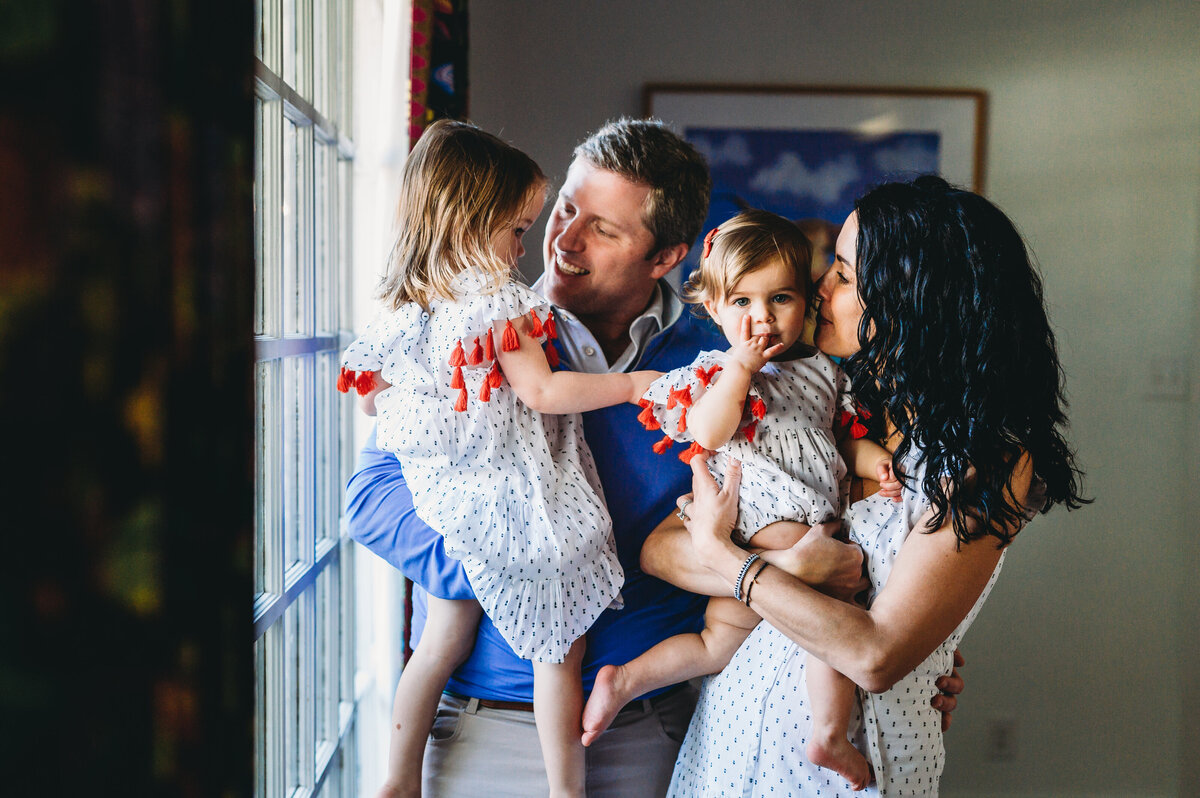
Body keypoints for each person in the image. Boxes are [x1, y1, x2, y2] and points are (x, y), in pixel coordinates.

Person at [343, 121, 960, 796]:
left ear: (666, 257)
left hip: (653, 727)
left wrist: (915, 653)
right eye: (566, 209)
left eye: (603, 228)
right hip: (488, 720)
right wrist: (517, 556)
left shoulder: (726, 364)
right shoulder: (481, 337)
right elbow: (371, 502)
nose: (565, 239)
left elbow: (825, 519)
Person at [645, 175, 1088, 797]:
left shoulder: (988, 460)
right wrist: (789, 563)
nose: (819, 289)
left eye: (845, 275)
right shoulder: (844, 411)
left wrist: (729, 558)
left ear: (911, 298)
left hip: (848, 768)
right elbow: (662, 546)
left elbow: (877, 657)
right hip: (733, 736)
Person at [338, 119, 661, 798]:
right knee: (559, 646)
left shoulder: (407, 311)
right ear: (471, 220)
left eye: (601, 227)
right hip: (510, 499)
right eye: (521, 227)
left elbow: (372, 405)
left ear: (666, 255)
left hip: (450, 497)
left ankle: (397, 781)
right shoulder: (498, 306)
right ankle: (566, 791)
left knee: (435, 644)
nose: (533, 245)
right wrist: (632, 386)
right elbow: (542, 391)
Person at [580, 209, 900, 790]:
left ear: (806, 300)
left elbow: (837, 437)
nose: (763, 319)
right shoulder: (718, 371)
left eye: (780, 299)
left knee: (717, 643)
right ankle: (830, 735)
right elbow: (707, 432)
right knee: (836, 601)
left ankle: (624, 680)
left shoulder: (824, 372)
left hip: (797, 517)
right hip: (762, 514)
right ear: (714, 308)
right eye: (743, 303)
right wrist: (740, 370)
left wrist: (876, 460)